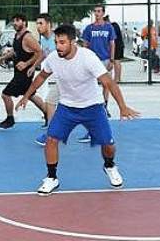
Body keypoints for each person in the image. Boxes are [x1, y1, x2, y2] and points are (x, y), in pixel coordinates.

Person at [16, 24, 140, 196]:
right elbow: (42, 76)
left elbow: (108, 82)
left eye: (62, 43)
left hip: (93, 107)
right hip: (67, 107)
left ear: (72, 42)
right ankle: (52, 178)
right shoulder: (53, 58)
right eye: (56, 42)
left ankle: (110, 165)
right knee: (51, 139)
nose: (58, 46)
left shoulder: (87, 57)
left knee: (108, 144)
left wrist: (122, 106)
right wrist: (26, 96)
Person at [0, 13, 46, 130]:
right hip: (18, 72)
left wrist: (27, 64)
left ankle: (10, 119)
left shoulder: (28, 37)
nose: (14, 23)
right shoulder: (17, 36)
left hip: (25, 73)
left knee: (5, 94)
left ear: (24, 22)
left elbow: (40, 52)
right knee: (31, 95)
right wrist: (2, 58)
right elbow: (15, 50)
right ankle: (49, 114)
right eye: (14, 21)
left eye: (17, 20)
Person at [34, 13, 61, 146]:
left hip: (69, 77)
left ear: (48, 24)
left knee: (81, 106)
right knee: (51, 102)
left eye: (41, 23)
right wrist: (34, 66)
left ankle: (96, 128)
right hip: (61, 78)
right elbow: (44, 54)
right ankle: (51, 134)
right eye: (37, 24)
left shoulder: (57, 38)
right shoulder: (44, 39)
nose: (38, 27)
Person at [107, 16, 125, 82]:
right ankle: (118, 78)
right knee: (117, 61)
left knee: (116, 61)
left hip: (117, 45)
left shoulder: (112, 26)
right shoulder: (115, 25)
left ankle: (117, 79)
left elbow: (111, 38)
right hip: (120, 45)